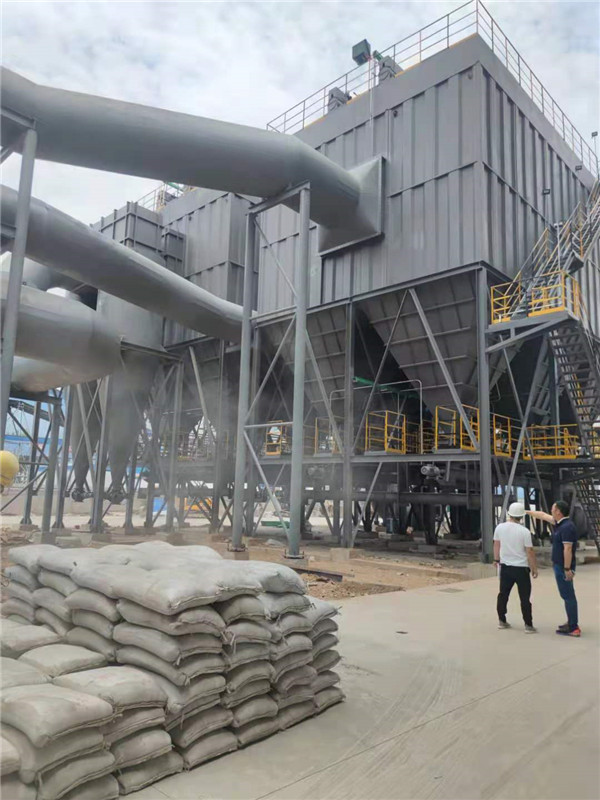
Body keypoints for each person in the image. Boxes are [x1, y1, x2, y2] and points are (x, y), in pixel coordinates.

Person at [526, 500, 581, 637]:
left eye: (553, 508)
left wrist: (567, 569)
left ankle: (574, 627)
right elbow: (543, 515)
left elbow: (568, 549)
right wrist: (526, 512)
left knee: (568, 596)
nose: (551, 511)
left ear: (558, 511)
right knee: (566, 595)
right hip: (560, 565)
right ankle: (571, 622)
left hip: (563, 567)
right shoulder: (560, 523)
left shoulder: (567, 527)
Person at [493, 502, 538, 633]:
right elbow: (529, 551)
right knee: (525, 598)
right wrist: (534, 568)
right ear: (522, 516)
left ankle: (502, 620)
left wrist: (496, 559)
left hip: (505, 567)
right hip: (521, 568)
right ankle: (528, 625)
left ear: (509, 514)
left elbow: (496, 545)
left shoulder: (500, 528)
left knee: (503, 594)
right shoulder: (525, 532)